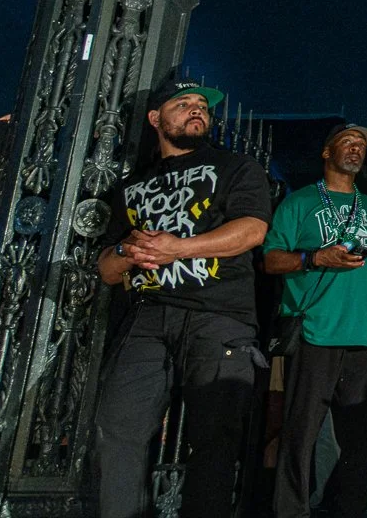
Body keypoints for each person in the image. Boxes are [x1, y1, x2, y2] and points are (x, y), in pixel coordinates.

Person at [94, 78, 271, 518]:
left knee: (214, 438)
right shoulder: (132, 185)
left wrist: (178, 248)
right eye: (184, 103)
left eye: (202, 106)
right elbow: (105, 270)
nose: (197, 110)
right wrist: (127, 250)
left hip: (219, 316)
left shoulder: (236, 167)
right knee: (117, 429)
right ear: (156, 118)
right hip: (146, 317)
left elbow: (252, 231)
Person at [262, 123, 367, 518]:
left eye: (361, 146)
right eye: (347, 143)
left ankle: (350, 510)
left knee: (359, 440)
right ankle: (291, 511)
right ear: (327, 152)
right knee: (301, 433)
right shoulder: (298, 203)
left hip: (364, 338)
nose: (356, 150)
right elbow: (271, 260)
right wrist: (315, 258)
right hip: (314, 331)